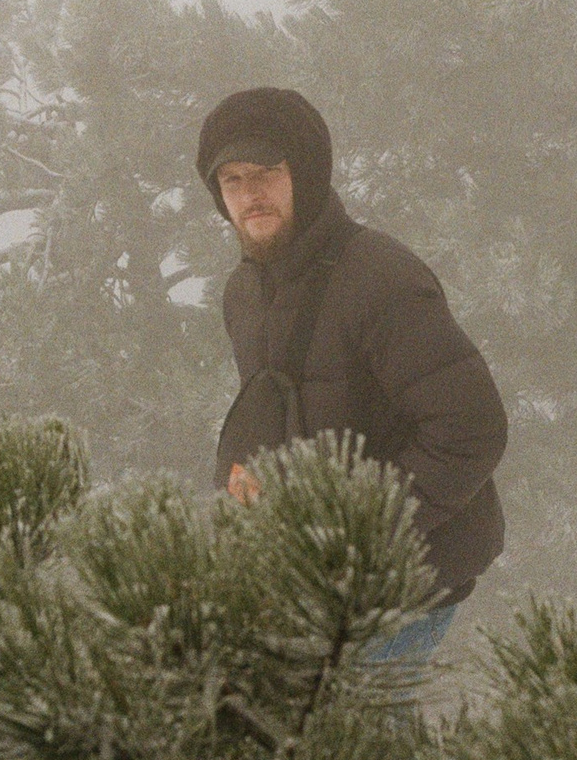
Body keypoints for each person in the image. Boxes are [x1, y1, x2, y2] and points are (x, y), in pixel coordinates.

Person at [197, 87, 505, 662]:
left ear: (304, 174)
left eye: (265, 171)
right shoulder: (245, 292)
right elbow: (279, 415)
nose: (249, 193)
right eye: (232, 180)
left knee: (352, 720)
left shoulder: (379, 278)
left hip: (405, 586)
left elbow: (470, 430)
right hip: (319, 584)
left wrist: (359, 532)